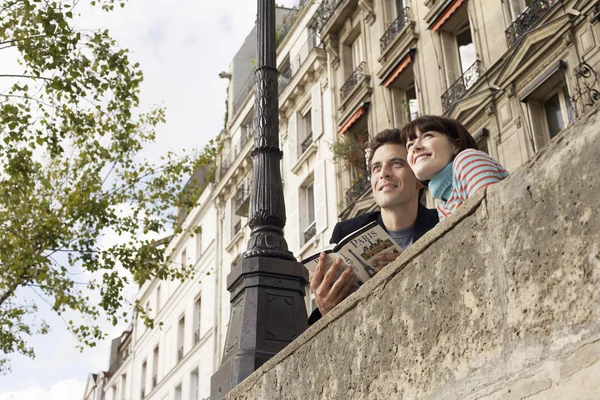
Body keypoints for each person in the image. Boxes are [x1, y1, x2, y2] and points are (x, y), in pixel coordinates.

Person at [308, 129, 439, 325]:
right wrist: (325, 309)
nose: (384, 174)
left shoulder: (442, 221)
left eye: (396, 163)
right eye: (376, 168)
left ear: (419, 178)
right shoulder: (346, 233)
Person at [402, 115, 509, 220]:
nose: (414, 148)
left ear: (455, 145)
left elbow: (494, 214)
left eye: (427, 136)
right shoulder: (443, 205)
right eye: (409, 145)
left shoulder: (467, 159)